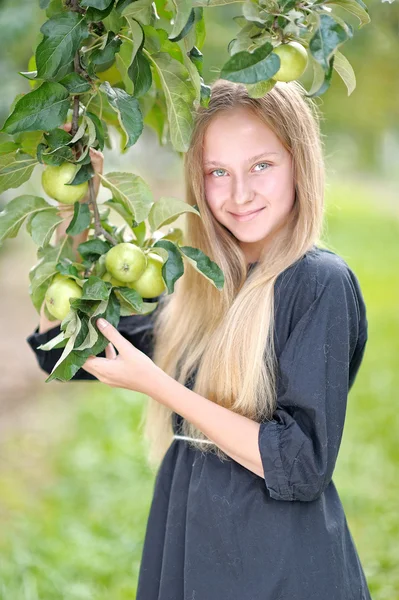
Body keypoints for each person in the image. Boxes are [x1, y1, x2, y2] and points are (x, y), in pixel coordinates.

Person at [27, 79, 371, 600]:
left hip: (277, 562)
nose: (240, 194)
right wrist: (78, 208)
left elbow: (301, 463)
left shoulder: (317, 282)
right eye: (218, 172)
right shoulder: (203, 283)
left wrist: (162, 387)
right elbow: (71, 350)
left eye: (261, 165)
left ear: (299, 162)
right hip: (189, 543)